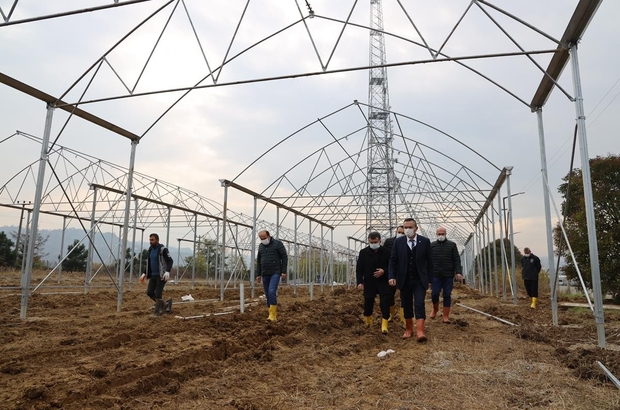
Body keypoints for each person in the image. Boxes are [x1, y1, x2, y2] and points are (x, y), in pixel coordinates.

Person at [388, 218, 433, 342]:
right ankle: (409, 329)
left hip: (419, 279)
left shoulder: (425, 241)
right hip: (404, 279)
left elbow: (430, 262)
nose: (407, 229)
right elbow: (393, 260)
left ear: (416, 228)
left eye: (410, 227)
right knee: (406, 304)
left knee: (419, 303)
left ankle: (420, 331)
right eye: (405, 227)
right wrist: (391, 276)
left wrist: (430, 279)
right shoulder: (399, 242)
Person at [356, 231, 391, 335]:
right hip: (369, 282)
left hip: (383, 281)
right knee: (368, 302)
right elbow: (359, 269)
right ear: (368, 241)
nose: (373, 244)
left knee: (385, 302)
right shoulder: (363, 253)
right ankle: (368, 322)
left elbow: (392, 266)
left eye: (375, 242)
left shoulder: (387, 252)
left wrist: (384, 271)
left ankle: (384, 324)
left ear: (380, 241)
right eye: (371, 242)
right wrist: (360, 282)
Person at [430, 227, 462, 324]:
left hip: (448, 274)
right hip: (435, 274)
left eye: (442, 234)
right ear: (436, 234)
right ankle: (435, 309)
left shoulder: (452, 245)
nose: (441, 235)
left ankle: (446, 316)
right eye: (439, 234)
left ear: (445, 234)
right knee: (435, 293)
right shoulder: (432, 245)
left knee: (447, 294)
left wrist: (458, 272)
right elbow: (428, 260)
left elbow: (456, 259)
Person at [256, 230, 288, 322]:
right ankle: (270, 313)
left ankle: (273, 315)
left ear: (269, 236)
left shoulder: (278, 244)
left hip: (275, 272)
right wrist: (258, 274)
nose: (263, 240)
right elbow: (259, 261)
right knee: (267, 294)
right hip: (265, 273)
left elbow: (284, 257)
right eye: (261, 239)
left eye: (264, 238)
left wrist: (283, 271)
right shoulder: (261, 246)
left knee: (271, 291)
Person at [140, 233, 173, 316]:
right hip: (153, 275)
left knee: (158, 294)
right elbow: (149, 263)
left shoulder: (163, 249)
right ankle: (165, 304)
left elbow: (170, 261)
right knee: (149, 292)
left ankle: (156, 313)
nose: (150, 241)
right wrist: (144, 273)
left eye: (152, 240)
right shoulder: (150, 250)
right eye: (150, 240)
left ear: (157, 240)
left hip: (162, 275)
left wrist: (167, 271)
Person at [383, 225, 405, 324]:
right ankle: (392, 312)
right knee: (389, 294)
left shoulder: (408, 242)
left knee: (404, 294)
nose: (400, 234)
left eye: (403, 233)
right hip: (391, 272)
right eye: (399, 232)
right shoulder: (389, 242)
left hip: (403, 272)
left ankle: (403, 317)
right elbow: (383, 254)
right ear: (396, 231)